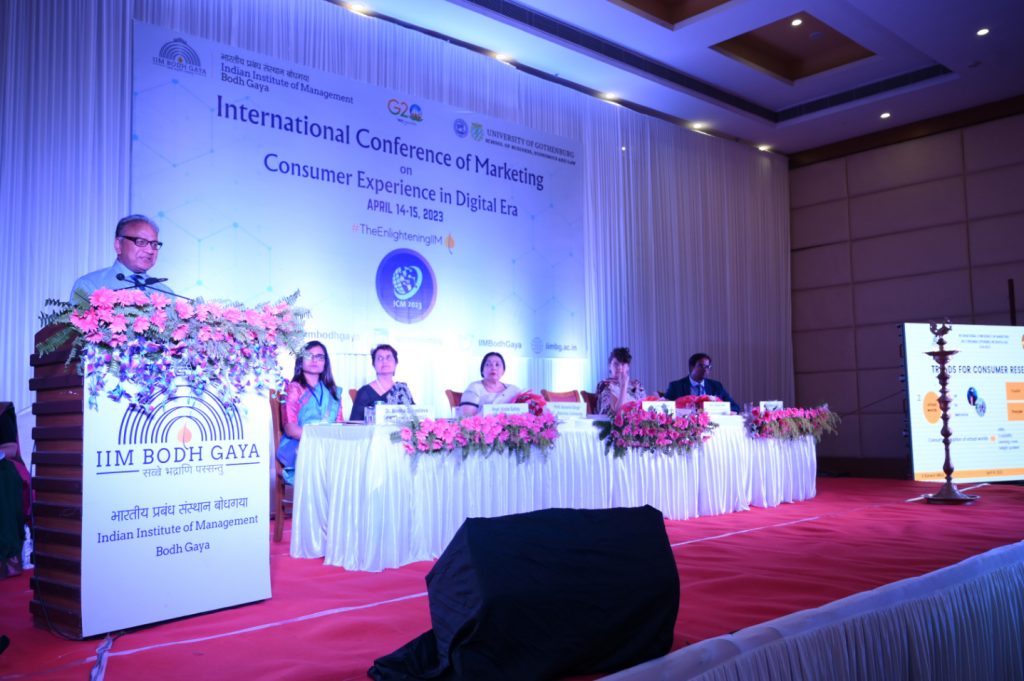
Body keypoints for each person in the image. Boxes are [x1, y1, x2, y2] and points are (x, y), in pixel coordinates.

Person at [277, 341, 345, 484]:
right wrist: (319, 439)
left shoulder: (333, 392)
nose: (314, 360)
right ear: (301, 360)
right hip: (299, 445)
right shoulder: (294, 388)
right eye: (309, 356)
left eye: (320, 357)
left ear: (325, 363)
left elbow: (339, 426)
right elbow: (290, 429)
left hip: (328, 445)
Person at [69, 214, 174, 304]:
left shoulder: (166, 294)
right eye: (141, 242)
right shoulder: (90, 285)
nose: (150, 251)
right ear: (118, 245)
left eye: (154, 244)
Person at [350, 344, 415, 422]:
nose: (384, 361)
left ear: (396, 363)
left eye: (388, 358)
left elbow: (415, 419)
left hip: (401, 430)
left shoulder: (402, 389)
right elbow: (354, 424)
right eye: (380, 358)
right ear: (374, 365)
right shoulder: (364, 392)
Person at [664, 352, 740, 412]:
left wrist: (723, 410)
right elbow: (665, 408)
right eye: (701, 366)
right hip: (688, 424)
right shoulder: (676, 386)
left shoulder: (716, 386)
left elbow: (734, 407)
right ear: (691, 367)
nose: (705, 369)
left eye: (707, 367)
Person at [459, 352, 520, 417]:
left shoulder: (513, 390)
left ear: (503, 371)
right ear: (482, 370)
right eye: (488, 364)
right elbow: (466, 417)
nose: (493, 368)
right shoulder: (474, 388)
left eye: (497, 365)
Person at [596, 347, 646, 416]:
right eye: (616, 364)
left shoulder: (637, 385)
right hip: (610, 421)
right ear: (610, 366)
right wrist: (623, 386)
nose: (619, 367)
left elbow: (644, 409)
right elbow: (611, 414)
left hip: (637, 420)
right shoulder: (605, 384)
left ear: (628, 367)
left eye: (623, 364)